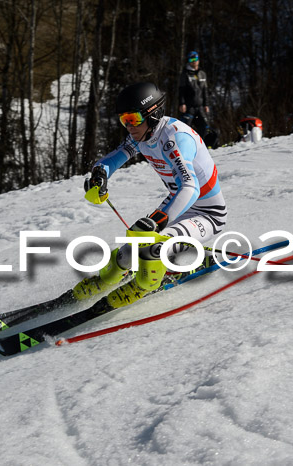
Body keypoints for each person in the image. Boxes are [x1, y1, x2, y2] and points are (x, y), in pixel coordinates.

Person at [76, 82, 227, 311]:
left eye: (133, 119)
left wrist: (159, 220)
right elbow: (114, 158)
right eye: (123, 120)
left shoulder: (175, 138)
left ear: (153, 114)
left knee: (151, 246)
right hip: (179, 203)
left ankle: (145, 284)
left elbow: (190, 186)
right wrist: (100, 174)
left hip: (208, 214)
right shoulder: (142, 134)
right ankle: (105, 279)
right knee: (131, 247)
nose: (128, 126)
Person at [178, 51, 214, 144]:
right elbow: (181, 90)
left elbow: (205, 90)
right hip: (189, 107)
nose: (194, 61)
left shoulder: (202, 73)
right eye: (191, 59)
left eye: (195, 59)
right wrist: (182, 103)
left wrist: (206, 104)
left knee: (205, 126)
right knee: (185, 128)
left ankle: (200, 145)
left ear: (198, 60)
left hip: (200, 106)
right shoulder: (185, 74)